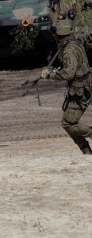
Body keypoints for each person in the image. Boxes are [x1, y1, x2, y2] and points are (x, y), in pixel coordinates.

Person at [40, 20, 92, 155]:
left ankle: (87, 147)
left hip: (80, 90)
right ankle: (86, 152)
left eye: (53, 32)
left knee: (68, 123)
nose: (52, 35)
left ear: (58, 34)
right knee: (68, 123)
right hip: (80, 87)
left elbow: (69, 73)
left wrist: (49, 76)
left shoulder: (69, 50)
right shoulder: (73, 43)